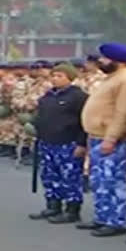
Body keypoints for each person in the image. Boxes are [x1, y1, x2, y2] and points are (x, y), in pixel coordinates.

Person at [76, 44, 126, 236]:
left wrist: (111, 138)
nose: (100, 61)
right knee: (100, 181)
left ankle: (115, 221)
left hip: (110, 139)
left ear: (118, 61)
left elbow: (123, 113)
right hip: (98, 137)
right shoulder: (113, 78)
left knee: (112, 181)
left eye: (105, 58)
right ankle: (102, 217)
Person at [29, 64, 90, 223]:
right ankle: (53, 205)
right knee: (50, 176)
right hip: (48, 142)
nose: (55, 79)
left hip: (68, 142)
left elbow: (84, 122)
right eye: (53, 76)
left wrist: (81, 144)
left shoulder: (78, 97)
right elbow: (41, 116)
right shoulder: (47, 97)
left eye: (60, 76)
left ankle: (72, 210)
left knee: (70, 178)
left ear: (70, 78)